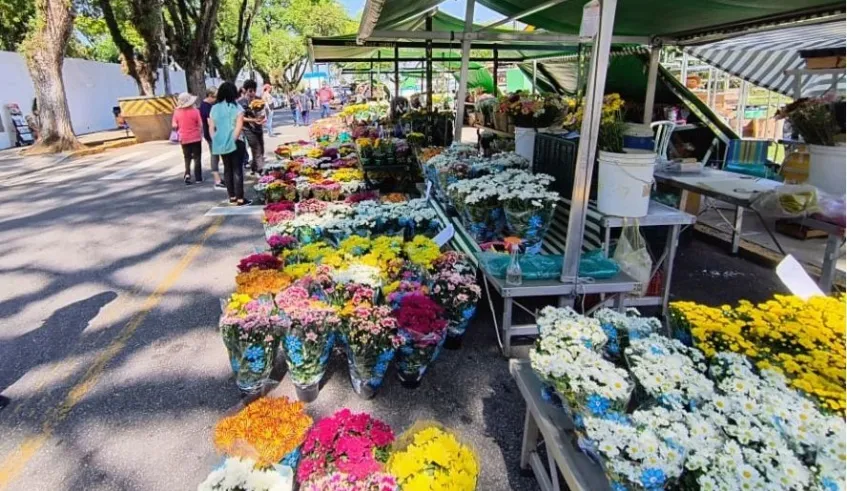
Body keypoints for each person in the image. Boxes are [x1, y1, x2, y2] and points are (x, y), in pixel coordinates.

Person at [209, 82, 250, 206]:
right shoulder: (237, 108)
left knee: (227, 169)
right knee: (237, 170)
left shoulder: (214, 108)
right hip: (236, 142)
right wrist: (232, 140)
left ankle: (231, 196)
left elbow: (211, 127)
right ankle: (240, 198)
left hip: (221, 142)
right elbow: (238, 127)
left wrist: (216, 140)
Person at [171, 91, 203, 185]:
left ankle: (187, 174)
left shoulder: (176, 112)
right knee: (197, 157)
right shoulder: (196, 111)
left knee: (187, 157)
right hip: (196, 137)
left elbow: (174, 125)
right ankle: (198, 177)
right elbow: (200, 124)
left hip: (184, 138)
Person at [238, 79, 266, 174]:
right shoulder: (242, 102)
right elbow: (241, 118)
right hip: (247, 129)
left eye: (254, 90)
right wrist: (254, 120)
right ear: (245, 90)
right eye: (250, 90)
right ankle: (260, 170)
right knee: (256, 148)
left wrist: (262, 118)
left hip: (258, 127)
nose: (252, 93)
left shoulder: (258, 99)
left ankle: (254, 167)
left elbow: (263, 112)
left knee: (261, 148)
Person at [199, 86, 225, 188]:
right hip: (212, 135)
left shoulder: (210, 105)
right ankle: (217, 179)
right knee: (215, 156)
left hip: (215, 133)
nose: (216, 100)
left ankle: (219, 178)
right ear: (210, 96)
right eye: (215, 98)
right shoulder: (205, 106)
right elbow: (210, 122)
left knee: (217, 155)